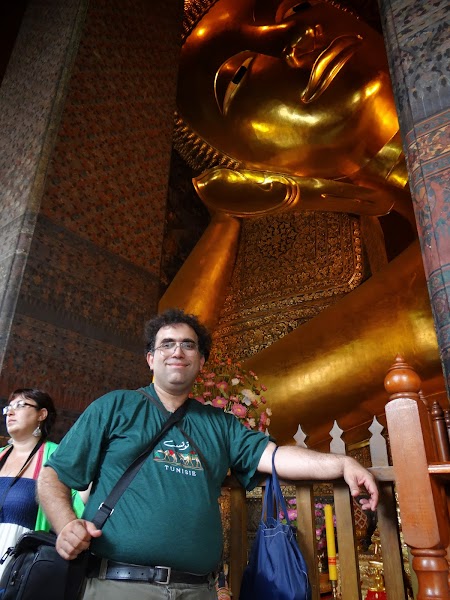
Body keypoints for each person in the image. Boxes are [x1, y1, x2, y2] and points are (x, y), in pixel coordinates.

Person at [37, 308, 378, 600]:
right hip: (120, 584)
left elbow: (275, 457)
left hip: (197, 589)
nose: (177, 351)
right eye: (166, 344)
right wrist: (66, 525)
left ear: (200, 361)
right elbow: (54, 475)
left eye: (188, 345)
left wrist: (342, 462)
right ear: (151, 359)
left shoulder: (220, 424)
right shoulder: (116, 406)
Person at [0, 388, 85, 578]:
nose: (10, 412)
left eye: (20, 405)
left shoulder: (57, 457)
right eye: (8, 408)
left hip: (19, 570)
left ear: (42, 414)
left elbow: (76, 507)